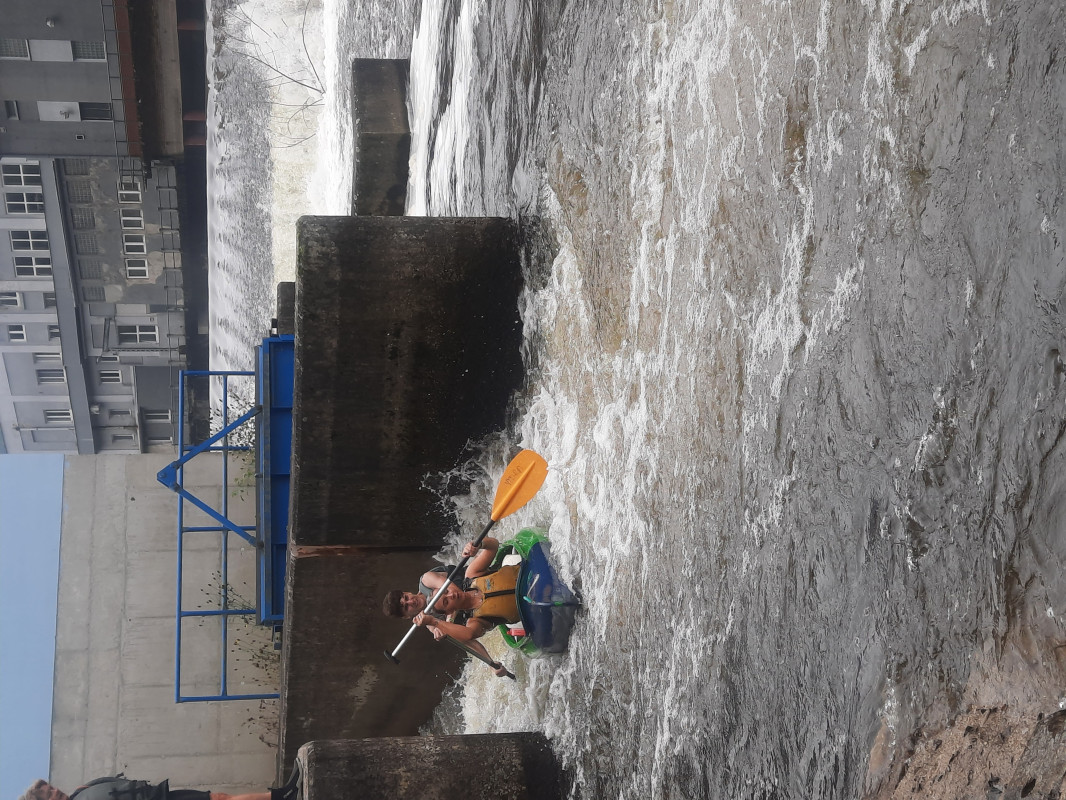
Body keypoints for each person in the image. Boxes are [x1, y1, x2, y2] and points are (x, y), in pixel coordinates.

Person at [382, 537, 518, 677]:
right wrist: (491, 664)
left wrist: (477, 546)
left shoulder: (427, 580)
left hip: (477, 577)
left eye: (406, 598)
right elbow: (468, 640)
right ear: (406, 616)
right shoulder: (435, 625)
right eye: (406, 607)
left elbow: (452, 589)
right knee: (458, 630)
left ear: (407, 592)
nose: (411, 602)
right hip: (481, 610)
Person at [20, 764, 300, 800]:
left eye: (51, 787)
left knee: (219, 798)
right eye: (48, 794)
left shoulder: (83, 789)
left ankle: (281, 795)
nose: (55, 791)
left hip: (159, 795)